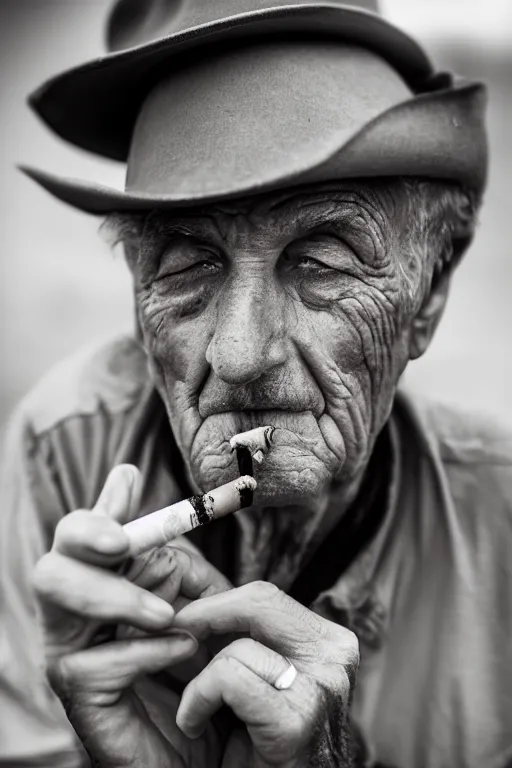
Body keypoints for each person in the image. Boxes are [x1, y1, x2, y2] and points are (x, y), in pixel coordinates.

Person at [1, 0, 511, 766]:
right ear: (139, 303)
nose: (240, 354)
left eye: (321, 259)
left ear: (428, 292)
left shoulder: (498, 528)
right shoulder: (65, 453)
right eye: (188, 262)